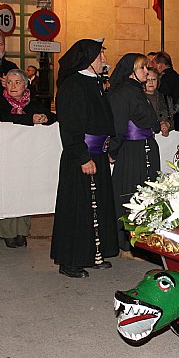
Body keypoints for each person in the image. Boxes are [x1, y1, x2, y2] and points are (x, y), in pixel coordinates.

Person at [51, 38, 119, 278]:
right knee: (78, 208)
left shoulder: (96, 83)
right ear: (88, 58)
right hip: (80, 156)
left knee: (96, 207)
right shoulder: (73, 86)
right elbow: (69, 127)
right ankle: (70, 260)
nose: (104, 59)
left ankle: (93, 254)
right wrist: (82, 157)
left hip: (97, 155)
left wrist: (107, 147)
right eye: (100, 55)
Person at [108, 53, 161, 259]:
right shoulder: (123, 93)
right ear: (131, 71)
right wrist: (113, 150)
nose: (147, 73)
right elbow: (119, 125)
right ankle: (126, 245)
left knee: (146, 194)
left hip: (145, 147)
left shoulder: (136, 91)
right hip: (132, 150)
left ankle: (142, 241)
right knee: (129, 193)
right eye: (142, 69)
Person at [0, 69, 56, 248]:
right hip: (6, 159)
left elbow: (52, 117)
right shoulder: (1, 102)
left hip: (25, 159)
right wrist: (29, 119)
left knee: (24, 191)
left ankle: (22, 231)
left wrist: (44, 117)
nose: (13, 86)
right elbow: (5, 117)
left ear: (26, 85)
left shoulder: (33, 102)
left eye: (17, 82)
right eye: (9, 82)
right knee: (7, 191)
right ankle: (8, 232)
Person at [144, 67, 173, 135]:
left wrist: (168, 124)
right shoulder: (137, 98)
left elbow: (174, 119)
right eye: (148, 80)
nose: (151, 82)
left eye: (154, 79)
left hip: (163, 139)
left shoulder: (166, 98)